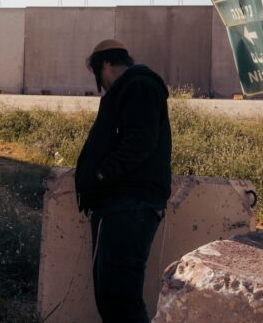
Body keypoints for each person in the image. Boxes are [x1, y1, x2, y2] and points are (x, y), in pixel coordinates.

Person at [75, 39, 172, 323]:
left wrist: (101, 174)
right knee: (111, 297)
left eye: (97, 75)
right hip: (120, 206)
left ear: (104, 64)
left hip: (130, 206)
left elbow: (139, 143)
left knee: (121, 300)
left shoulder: (139, 86)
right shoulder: (131, 88)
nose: (100, 84)